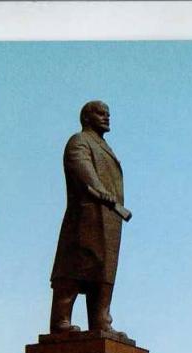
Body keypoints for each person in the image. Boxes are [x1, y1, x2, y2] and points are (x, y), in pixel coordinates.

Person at [50, 100, 129, 335]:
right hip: (86, 216)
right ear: (86, 118)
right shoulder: (79, 141)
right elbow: (83, 170)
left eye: (108, 114)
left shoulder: (105, 146)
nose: (106, 117)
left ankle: (101, 320)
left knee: (103, 270)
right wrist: (99, 188)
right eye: (100, 113)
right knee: (75, 267)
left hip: (109, 220)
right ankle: (60, 321)